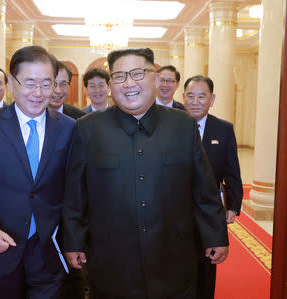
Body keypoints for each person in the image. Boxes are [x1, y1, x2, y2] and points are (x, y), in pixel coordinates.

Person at [63, 48, 229, 299]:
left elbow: (203, 187)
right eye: (119, 76)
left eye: (138, 73)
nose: (129, 83)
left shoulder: (183, 125)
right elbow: (75, 192)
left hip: (173, 254)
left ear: (155, 78)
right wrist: (73, 240)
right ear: (111, 85)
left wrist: (216, 234)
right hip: (112, 258)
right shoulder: (88, 128)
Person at [0, 45, 75, 299]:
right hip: (2, 243)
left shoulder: (68, 128)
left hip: (49, 247)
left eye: (47, 84)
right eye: (29, 83)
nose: (38, 93)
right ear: (12, 83)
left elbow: (74, 187)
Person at [183, 75, 243, 299]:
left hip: (209, 209)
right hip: (174, 209)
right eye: (190, 96)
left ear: (212, 99)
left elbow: (232, 172)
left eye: (202, 96)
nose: (195, 101)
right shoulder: (171, 126)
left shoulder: (223, 129)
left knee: (207, 264)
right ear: (184, 98)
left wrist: (233, 205)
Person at [50, 60, 87, 299]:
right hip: (36, 214)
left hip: (70, 209)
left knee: (73, 275)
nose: (58, 89)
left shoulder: (80, 120)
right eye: (53, 83)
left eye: (64, 83)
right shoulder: (27, 114)